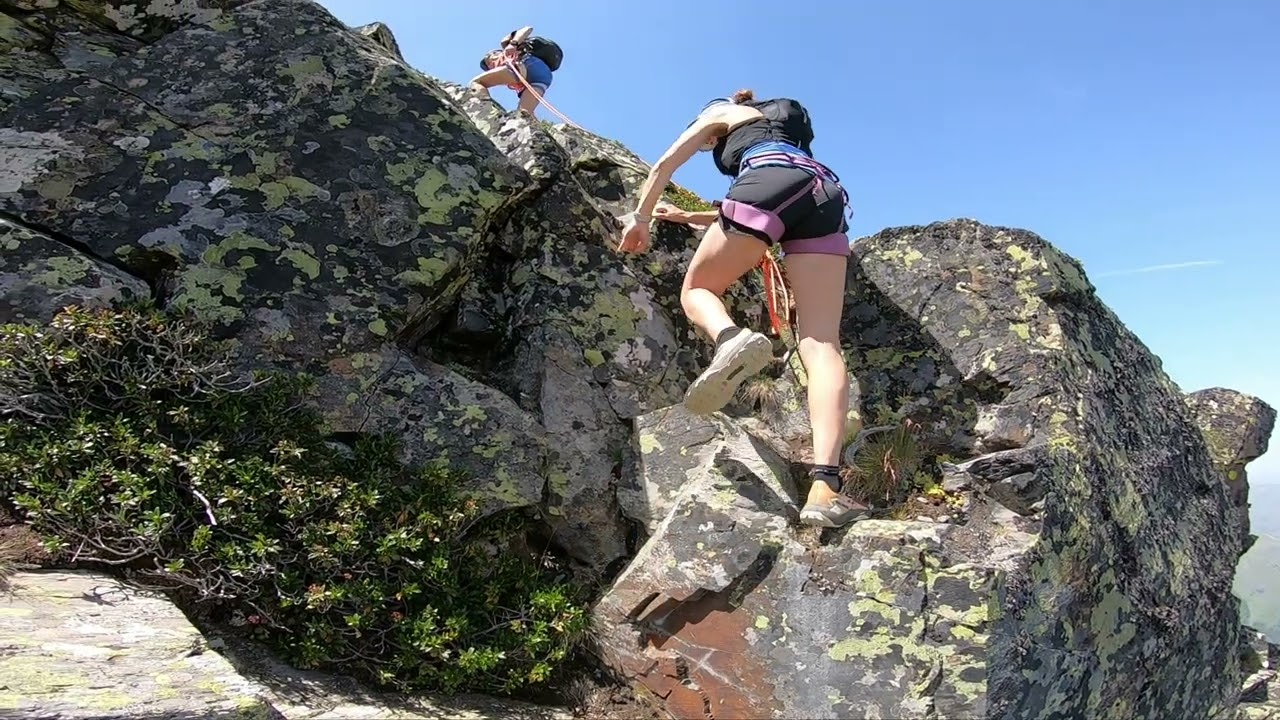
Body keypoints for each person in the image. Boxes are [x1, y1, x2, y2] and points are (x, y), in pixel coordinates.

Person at [616, 89, 865, 528]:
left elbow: (666, 163)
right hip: (827, 194)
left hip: (767, 181)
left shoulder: (722, 111)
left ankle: (731, 340)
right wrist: (687, 218)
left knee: (697, 289)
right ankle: (826, 488)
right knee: (821, 340)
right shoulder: (787, 135)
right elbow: (777, 205)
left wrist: (641, 215)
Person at [469, 26, 560, 117]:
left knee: (476, 82)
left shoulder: (507, 47)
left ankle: (486, 110)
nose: (490, 67)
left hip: (526, 64)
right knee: (524, 114)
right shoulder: (508, 55)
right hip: (544, 77)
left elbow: (527, 28)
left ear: (494, 54)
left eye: (488, 62)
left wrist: (513, 43)